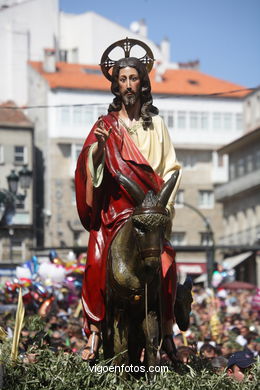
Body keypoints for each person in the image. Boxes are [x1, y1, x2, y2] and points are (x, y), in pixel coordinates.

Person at [75, 38, 192, 361]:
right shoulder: (105, 126)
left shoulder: (157, 125)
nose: (128, 85)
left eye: (133, 79)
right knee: (96, 260)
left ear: (143, 83)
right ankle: (95, 332)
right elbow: (89, 169)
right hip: (116, 211)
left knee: (166, 264)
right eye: (122, 79)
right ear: (116, 84)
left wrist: (161, 210)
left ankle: (167, 331)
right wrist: (98, 150)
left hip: (149, 209)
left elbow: (171, 168)